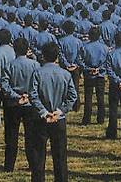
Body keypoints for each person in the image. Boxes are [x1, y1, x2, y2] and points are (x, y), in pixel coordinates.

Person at [29, 42, 77, 182]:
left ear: (43, 56)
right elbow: (72, 96)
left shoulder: (37, 73)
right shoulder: (65, 74)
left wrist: (44, 112)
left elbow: (33, 95)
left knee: (38, 155)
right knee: (60, 156)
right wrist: (60, 111)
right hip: (58, 119)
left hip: (41, 119)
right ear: (57, 57)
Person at [1, 37, 40, 172]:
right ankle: (33, 163)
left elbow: (4, 85)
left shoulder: (9, 65)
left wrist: (16, 96)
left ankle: (9, 166)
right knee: (31, 136)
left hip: (14, 104)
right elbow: (38, 84)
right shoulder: (35, 65)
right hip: (30, 104)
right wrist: (29, 96)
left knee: (11, 136)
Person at [78, 26, 108, 125]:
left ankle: (86, 119)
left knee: (88, 97)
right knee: (100, 97)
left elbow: (80, 61)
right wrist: (99, 69)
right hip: (100, 74)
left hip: (89, 75)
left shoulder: (85, 47)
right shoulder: (104, 48)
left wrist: (88, 68)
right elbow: (107, 62)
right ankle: (101, 118)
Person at [58, 21, 83, 111]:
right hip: (75, 67)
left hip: (64, 67)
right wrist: (75, 64)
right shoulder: (78, 41)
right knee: (75, 85)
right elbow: (80, 55)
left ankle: (65, 105)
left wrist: (67, 64)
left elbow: (60, 55)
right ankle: (76, 105)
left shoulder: (61, 41)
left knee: (64, 86)